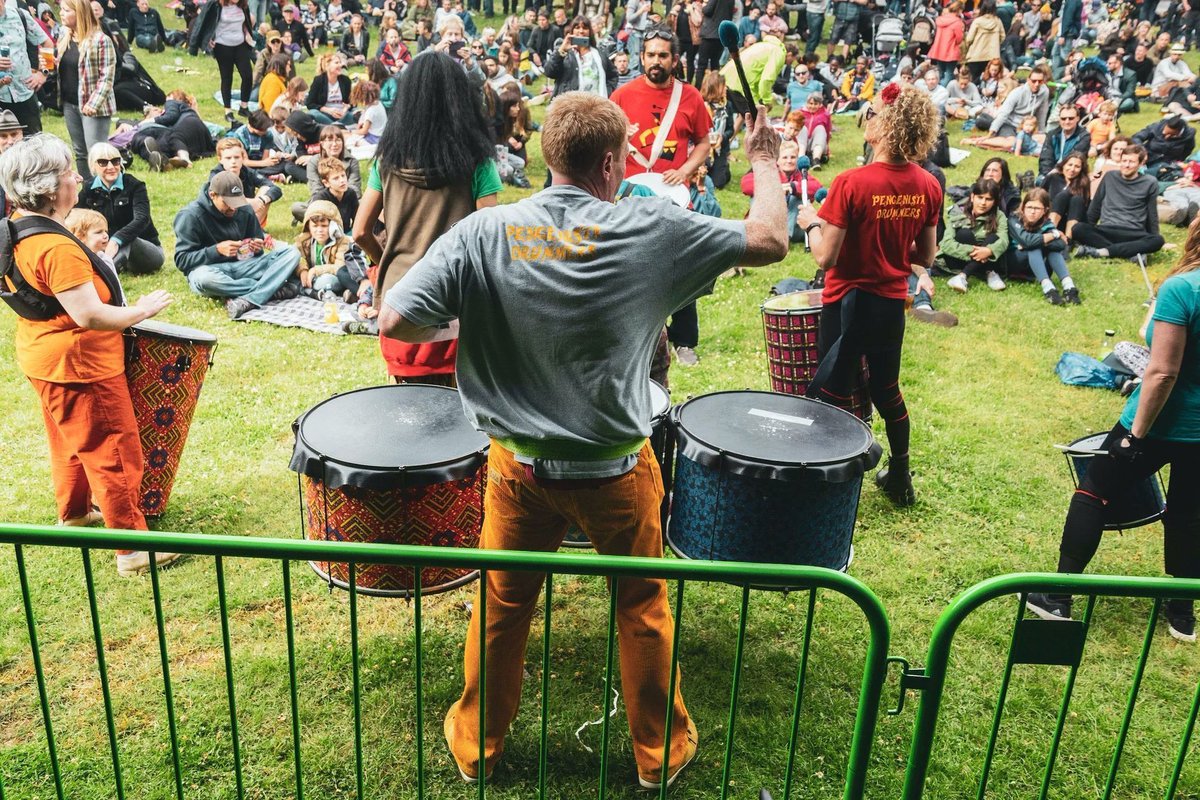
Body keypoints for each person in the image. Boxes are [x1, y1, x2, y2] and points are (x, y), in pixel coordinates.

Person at [379, 89, 785, 788]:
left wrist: (473, 325)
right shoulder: (649, 230)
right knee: (642, 607)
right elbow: (771, 238)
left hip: (518, 471)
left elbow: (397, 319)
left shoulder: (486, 233)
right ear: (608, 163)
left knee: (503, 607)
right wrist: (767, 161)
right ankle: (657, 758)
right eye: (624, 156)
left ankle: (479, 749)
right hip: (614, 472)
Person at [0, 134, 180, 576]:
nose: (77, 177)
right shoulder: (55, 247)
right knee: (114, 451)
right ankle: (132, 549)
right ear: (48, 188)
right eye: (68, 173)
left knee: (68, 442)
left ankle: (75, 515)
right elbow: (90, 315)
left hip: (45, 358)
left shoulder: (18, 224)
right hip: (82, 366)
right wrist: (140, 310)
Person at [1025, 216, 1200, 643]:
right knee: (1189, 515)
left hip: (1161, 421)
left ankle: (1057, 597)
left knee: (1092, 492)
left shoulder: (1183, 288)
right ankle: (1182, 614)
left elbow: (1161, 373)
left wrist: (1134, 435)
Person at [795, 83, 942, 506]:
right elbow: (926, 255)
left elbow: (825, 258)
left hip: (846, 303)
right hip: (891, 304)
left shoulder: (851, 183)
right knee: (886, 389)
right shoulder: (928, 185)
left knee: (832, 394)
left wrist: (810, 222)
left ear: (885, 126)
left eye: (871, 112)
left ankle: (830, 488)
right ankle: (899, 472)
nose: (866, 117)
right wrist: (891, 242)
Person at [351, 52, 500, 385]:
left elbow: (360, 230)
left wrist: (384, 260)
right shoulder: (478, 163)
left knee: (406, 410)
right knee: (457, 421)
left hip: (399, 304)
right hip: (456, 303)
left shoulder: (385, 161)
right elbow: (489, 234)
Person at [174, 170, 301, 318]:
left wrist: (255, 249)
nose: (233, 208)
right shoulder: (190, 216)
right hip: (210, 270)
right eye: (228, 203)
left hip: (245, 266)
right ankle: (273, 289)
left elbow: (255, 252)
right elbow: (182, 260)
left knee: (292, 253)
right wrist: (216, 250)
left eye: (236, 202)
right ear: (212, 195)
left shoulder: (244, 209)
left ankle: (252, 295)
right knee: (204, 279)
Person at [75, 142, 164, 274]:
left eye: (115, 161)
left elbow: (142, 218)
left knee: (129, 239)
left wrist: (117, 239)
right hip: (108, 251)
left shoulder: (135, 185)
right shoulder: (88, 189)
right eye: (103, 162)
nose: (111, 167)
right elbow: (73, 217)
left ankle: (104, 272)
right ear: (93, 166)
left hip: (147, 253)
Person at [1072, 143, 1164, 260]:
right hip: (1107, 229)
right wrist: (1086, 229)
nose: (1126, 165)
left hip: (1133, 232)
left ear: (1141, 164)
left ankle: (1101, 252)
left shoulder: (1150, 182)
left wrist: (1154, 235)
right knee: (1078, 228)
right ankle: (1131, 253)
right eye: (1124, 161)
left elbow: (1152, 214)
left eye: (1131, 162)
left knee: (1158, 240)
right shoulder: (1110, 176)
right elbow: (1095, 207)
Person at [57, 0, 115, 181]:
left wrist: (93, 104)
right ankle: (88, 193)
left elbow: (107, 77)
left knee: (98, 154)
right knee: (80, 152)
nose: (61, 14)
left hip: (93, 107)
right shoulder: (64, 37)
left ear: (79, 13)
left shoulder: (101, 40)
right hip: (70, 103)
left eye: (66, 10)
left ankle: (108, 193)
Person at [1008, 187, 1079, 304]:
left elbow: (1061, 245)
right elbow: (1028, 241)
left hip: (1037, 266)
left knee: (1050, 249)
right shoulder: (1014, 219)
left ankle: (1069, 287)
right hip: (1015, 263)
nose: (1032, 211)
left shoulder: (1046, 223)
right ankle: (1048, 289)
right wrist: (1055, 234)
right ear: (1023, 207)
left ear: (1045, 210)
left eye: (1037, 208)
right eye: (1029, 207)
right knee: (1034, 246)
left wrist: (1037, 242)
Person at [943, 178, 1010, 292]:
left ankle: (963, 276)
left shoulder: (999, 216)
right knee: (964, 234)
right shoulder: (957, 212)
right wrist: (977, 252)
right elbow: (946, 244)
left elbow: (1004, 240)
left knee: (994, 238)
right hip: (961, 257)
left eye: (988, 199)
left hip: (989, 257)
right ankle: (988, 272)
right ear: (972, 197)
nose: (983, 203)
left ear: (995, 201)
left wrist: (989, 251)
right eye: (980, 197)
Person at [0, 0, 50, 135]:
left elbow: (47, 43)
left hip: (25, 93)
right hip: (1, 95)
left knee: (34, 145)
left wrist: (43, 73)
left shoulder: (21, 16)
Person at [543, 16, 616, 98]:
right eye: (577, 28)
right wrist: (561, 52)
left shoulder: (599, 54)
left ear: (589, 31)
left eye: (585, 28)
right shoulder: (565, 52)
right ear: (572, 31)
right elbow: (549, 72)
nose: (581, 31)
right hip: (570, 103)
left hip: (595, 104)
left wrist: (607, 91)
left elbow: (613, 75)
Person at [718, 31, 787, 110]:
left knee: (742, 115)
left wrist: (758, 99)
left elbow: (757, 77)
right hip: (739, 84)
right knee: (754, 117)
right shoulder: (779, 53)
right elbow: (767, 79)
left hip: (724, 77)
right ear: (789, 55)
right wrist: (767, 101)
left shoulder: (762, 45)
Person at [980, 64, 1049, 137]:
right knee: (1012, 141)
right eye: (1034, 81)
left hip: (1028, 127)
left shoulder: (1045, 92)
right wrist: (991, 132)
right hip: (1009, 124)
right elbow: (1004, 113)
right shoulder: (1017, 93)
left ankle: (985, 119)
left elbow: (1042, 114)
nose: (1037, 84)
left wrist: (1041, 132)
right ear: (1028, 80)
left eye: (1040, 81)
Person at [1042, 150, 1090, 239]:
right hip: (1051, 217)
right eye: (1070, 165)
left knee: (1076, 199)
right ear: (1063, 164)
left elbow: (1084, 208)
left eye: (1077, 167)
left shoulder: (1083, 183)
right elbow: (1039, 196)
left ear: (1081, 169)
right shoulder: (1053, 177)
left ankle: (1068, 239)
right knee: (1062, 196)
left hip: (1074, 220)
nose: (1072, 169)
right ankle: (1049, 231)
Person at [1037, 103, 1090, 180]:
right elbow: (1045, 158)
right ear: (1059, 119)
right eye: (1063, 118)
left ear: (1078, 118)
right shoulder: (1052, 134)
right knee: (1040, 181)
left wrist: (1058, 171)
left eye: (1071, 118)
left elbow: (1075, 158)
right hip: (1050, 173)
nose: (1067, 121)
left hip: (1072, 174)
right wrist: (1048, 174)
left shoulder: (1084, 136)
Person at [306, 52, 353, 125]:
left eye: (340, 62)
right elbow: (309, 103)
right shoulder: (319, 80)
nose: (340, 65)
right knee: (313, 113)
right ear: (327, 65)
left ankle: (335, 126)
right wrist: (328, 110)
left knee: (358, 113)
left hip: (343, 115)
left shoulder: (345, 80)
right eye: (336, 63)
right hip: (326, 115)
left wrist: (346, 108)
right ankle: (336, 127)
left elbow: (352, 102)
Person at [962, 0, 1004, 80]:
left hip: (976, 55)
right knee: (990, 80)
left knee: (973, 80)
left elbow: (969, 39)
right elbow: (1003, 37)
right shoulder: (998, 21)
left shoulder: (977, 21)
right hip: (992, 56)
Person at [928, 2, 964, 84]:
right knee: (949, 73)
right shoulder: (957, 22)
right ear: (959, 10)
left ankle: (936, 89)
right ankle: (942, 91)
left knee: (940, 73)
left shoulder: (940, 19)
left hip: (939, 50)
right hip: (951, 51)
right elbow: (959, 38)